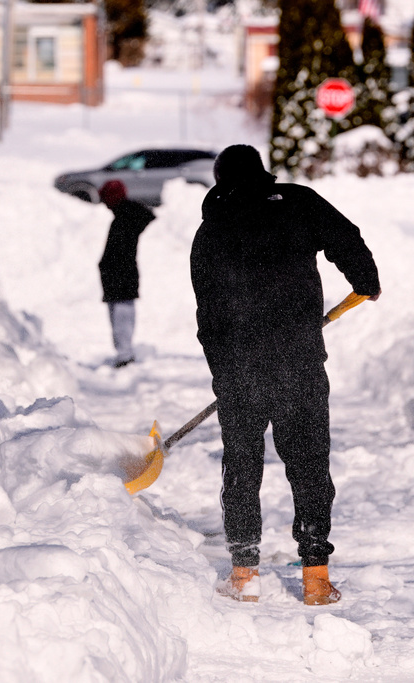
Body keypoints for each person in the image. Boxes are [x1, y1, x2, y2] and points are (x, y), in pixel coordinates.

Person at [190, 144, 380, 605]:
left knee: (242, 466)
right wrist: (366, 281)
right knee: (310, 463)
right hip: (298, 358)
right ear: (262, 173)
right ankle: (316, 577)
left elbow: (208, 314)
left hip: (240, 365)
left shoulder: (209, 232)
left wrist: (225, 373)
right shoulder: (297, 202)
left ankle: (243, 574)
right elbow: (345, 236)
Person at [97, 179, 155, 368]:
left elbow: (119, 252)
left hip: (121, 277)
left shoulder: (126, 217)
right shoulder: (126, 215)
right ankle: (124, 353)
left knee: (122, 317)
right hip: (119, 277)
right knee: (121, 315)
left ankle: (125, 354)